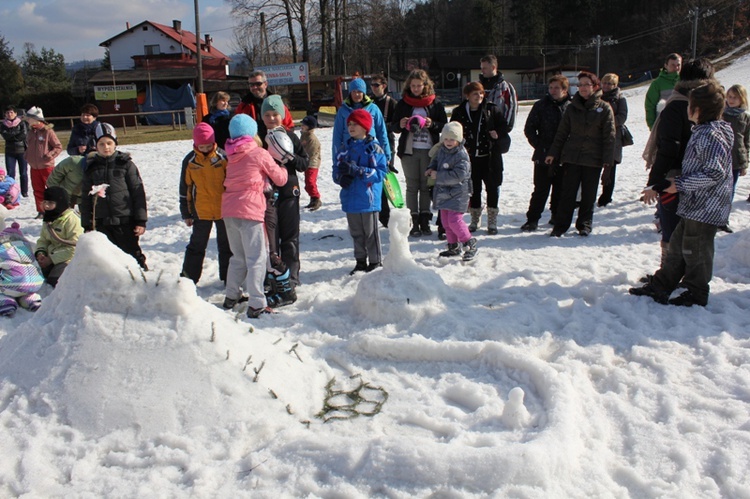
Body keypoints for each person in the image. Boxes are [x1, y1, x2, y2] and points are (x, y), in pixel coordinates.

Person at [629, 82, 733, 307]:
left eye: (690, 104)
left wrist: (680, 184)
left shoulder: (711, 134)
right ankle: (662, 284)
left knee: (695, 250)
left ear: (698, 110)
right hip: (694, 203)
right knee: (677, 246)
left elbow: (715, 172)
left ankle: (696, 292)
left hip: (706, 207)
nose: (686, 108)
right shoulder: (704, 131)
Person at [641, 58, 715, 267]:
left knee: (671, 227)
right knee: (694, 231)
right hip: (703, 178)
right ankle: (688, 274)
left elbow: (669, 147)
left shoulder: (678, 103)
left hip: (675, 177)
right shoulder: (714, 104)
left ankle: (668, 273)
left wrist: (654, 180)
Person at [221, 114, 288, 318]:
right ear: (252, 133)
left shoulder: (230, 154)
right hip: (250, 210)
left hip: (229, 211)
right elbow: (280, 179)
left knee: (238, 257)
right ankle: (257, 303)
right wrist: (284, 166)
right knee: (256, 258)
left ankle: (231, 295)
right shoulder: (258, 153)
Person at [545, 72, 615, 237]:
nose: (582, 88)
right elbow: (562, 133)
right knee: (567, 193)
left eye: (586, 84)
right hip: (572, 157)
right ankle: (561, 225)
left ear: (594, 86)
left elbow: (609, 137)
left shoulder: (604, 108)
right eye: (580, 85)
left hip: (593, 159)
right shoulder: (572, 107)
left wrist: (607, 163)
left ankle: (584, 224)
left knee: (589, 195)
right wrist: (553, 153)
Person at [80, 122, 149, 271]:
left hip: (125, 221)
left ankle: (144, 280)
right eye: (102, 144)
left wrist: (140, 220)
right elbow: (85, 198)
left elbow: (138, 193)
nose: (106, 147)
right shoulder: (91, 167)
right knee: (108, 260)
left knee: (132, 254)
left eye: (109, 143)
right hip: (102, 223)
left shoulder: (125, 164)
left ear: (115, 144)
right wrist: (87, 224)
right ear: (96, 145)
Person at [261, 95, 309, 286]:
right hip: (266, 193)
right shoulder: (259, 138)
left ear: (282, 115)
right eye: (267, 115)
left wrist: (290, 158)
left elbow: (304, 163)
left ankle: (292, 275)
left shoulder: (290, 136)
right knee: (270, 239)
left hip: (289, 190)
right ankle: (272, 275)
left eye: (275, 114)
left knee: (289, 236)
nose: (272, 118)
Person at [392, 69, 447, 236]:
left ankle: (425, 219)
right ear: (408, 86)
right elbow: (393, 126)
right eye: (413, 86)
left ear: (425, 86)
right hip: (409, 151)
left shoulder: (434, 103)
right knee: (411, 186)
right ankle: (412, 221)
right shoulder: (403, 103)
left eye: (419, 86)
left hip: (429, 151)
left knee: (425, 186)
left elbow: (444, 125)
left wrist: (432, 124)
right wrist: (400, 124)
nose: (415, 89)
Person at [333, 109, 388, 275]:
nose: (351, 127)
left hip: (367, 198)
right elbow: (336, 167)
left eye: (355, 124)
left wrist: (359, 171)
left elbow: (381, 173)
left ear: (365, 127)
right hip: (350, 198)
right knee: (356, 233)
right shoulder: (345, 147)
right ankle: (360, 261)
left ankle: (375, 261)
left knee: (370, 233)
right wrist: (340, 178)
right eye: (349, 124)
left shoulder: (374, 148)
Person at [450, 81, 508, 235]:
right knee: (473, 190)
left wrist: (498, 133)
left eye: (481, 93)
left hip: (489, 158)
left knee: (493, 188)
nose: (479, 96)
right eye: (475, 93)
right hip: (469, 159)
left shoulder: (491, 109)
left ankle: (492, 221)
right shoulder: (459, 111)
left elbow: (504, 126)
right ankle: (475, 220)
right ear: (467, 95)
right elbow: (452, 131)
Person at [179, 122, 231, 284]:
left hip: (223, 210)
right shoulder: (190, 161)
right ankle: (189, 277)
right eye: (201, 146)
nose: (205, 149)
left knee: (227, 246)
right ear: (195, 144)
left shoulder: (223, 157)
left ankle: (229, 278)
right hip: (200, 211)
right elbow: (185, 188)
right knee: (197, 245)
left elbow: (231, 182)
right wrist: (186, 213)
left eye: (208, 145)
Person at [521, 75, 571, 231]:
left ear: (565, 89)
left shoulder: (571, 107)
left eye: (557, 88)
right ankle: (532, 219)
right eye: (551, 87)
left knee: (560, 188)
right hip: (543, 155)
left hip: (564, 155)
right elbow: (529, 128)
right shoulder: (541, 105)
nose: (553, 91)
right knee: (540, 189)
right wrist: (539, 145)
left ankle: (556, 216)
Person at [425, 121, 477, 261]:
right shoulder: (442, 150)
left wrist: (439, 176)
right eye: (446, 139)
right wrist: (431, 168)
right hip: (444, 191)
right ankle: (453, 246)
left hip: (459, 193)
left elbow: (459, 175)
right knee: (446, 222)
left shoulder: (461, 155)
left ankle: (469, 243)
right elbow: (435, 161)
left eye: (452, 139)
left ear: (458, 140)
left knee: (455, 220)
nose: (448, 142)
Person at [332, 78, 391, 166]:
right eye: (353, 91)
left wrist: (386, 156)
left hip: (370, 151)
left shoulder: (373, 108)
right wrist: (336, 160)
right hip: (350, 153)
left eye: (359, 91)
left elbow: (382, 133)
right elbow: (337, 136)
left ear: (364, 93)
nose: (356, 94)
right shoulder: (343, 110)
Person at [34, 186, 83, 287]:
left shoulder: (71, 220)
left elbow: (75, 247)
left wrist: (51, 259)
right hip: (51, 255)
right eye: (45, 202)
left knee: (55, 281)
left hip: (68, 258)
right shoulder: (49, 218)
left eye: (50, 203)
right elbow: (43, 239)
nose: (46, 206)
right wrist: (41, 252)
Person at [369, 74, 398, 227]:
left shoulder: (391, 103)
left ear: (384, 86)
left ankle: (386, 214)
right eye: (372, 85)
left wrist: (383, 127)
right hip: (370, 144)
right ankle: (379, 212)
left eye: (376, 85)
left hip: (386, 142)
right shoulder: (369, 102)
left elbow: (397, 125)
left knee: (385, 176)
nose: (373, 88)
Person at [24, 106, 62, 218]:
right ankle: (41, 211)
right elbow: (28, 146)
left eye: (29, 118)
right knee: (37, 190)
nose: (27, 121)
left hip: (46, 167)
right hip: (34, 167)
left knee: (51, 189)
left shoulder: (48, 131)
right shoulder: (31, 132)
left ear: (36, 119)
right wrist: (27, 156)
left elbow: (58, 147)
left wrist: (49, 156)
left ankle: (56, 209)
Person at [597, 73, 629, 207]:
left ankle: (606, 196)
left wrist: (607, 123)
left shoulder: (620, 99)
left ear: (615, 85)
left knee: (610, 166)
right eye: (604, 83)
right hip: (597, 136)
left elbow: (622, 117)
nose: (606, 86)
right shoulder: (597, 97)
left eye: (609, 84)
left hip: (614, 137)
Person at [235, 70, 294, 140]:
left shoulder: (277, 104)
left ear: (265, 84)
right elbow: (237, 129)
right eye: (251, 85)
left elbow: (289, 126)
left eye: (258, 84)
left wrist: (283, 140)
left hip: (276, 144)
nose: (255, 87)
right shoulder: (243, 106)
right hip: (253, 146)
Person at [0, 222, 44, 317]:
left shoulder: (2, 249)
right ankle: (31, 300)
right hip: (35, 283)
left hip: (14, 283)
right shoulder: (26, 248)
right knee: (25, 290)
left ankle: (6, 301)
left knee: (8, 284)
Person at [721, 84, 750, 222]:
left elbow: (746, 142)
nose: (731, 100)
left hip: (737, 159)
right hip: (721, 157)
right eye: (730, 97)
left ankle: (724, 217)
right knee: (719, 188)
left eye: (735, 98)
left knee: (730, 189)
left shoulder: (745, 117)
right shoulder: (721, 113)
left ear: (742, 99)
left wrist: (745, 163)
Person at [479, 54, 518, 132]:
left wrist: (503, 131)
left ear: (493, 67)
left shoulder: (506, 87)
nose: (482, 71)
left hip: (498, 133)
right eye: (481, 68)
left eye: (484, 68)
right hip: (479, 133)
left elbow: (511, 109)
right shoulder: (477, 86)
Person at [645, 53, 682, 131]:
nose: (676, 67)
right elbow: (650, 106)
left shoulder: (685, 80)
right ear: (666, 65)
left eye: (678, 65)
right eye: (673, 65)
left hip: (684, 124)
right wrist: (652, 126)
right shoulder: (657, 83)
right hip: (665, 126)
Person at [1, 105, 29, 198]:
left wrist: (12, 136)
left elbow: (24, 134)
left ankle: (24, 191)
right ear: (5, 114)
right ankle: (11, 192)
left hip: (21, 150)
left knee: (23, 173)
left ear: (15, 113)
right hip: (10, 151)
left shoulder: (21, 123)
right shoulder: (3, 125)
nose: (9, 114)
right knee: (10, 173)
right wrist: (15, 135)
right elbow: (6, 136)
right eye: (7, 113)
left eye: (11, 112)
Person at [299, 115, 322, 211]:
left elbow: (310, 153)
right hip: (307, 162)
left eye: (304, 125)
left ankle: (316, 198)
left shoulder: (312, 139)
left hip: (312, 163)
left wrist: (302, 159)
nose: (302, 126)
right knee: (307, 183)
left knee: (310, 182)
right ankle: (313, 199)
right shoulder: (304, 135)